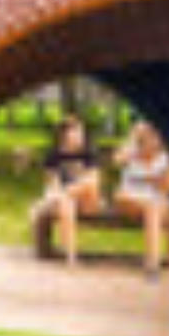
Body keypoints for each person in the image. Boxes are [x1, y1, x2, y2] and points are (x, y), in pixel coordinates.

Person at [27, 113, 103, 266]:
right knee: (65, 203)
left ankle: (69, 254)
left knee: (84, 186)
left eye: (81, 132)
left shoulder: (89, 153)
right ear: (64, 135)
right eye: (76, 132)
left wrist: (68, 191)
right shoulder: (53, 155)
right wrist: (63, 194)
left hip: (87, 199)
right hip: (63, 200)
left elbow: (94, 182)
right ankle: (71, 257)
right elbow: (52, 182)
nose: (80, 136)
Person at [111, 121, 169, 279]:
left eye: (155, 137)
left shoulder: (166, 158)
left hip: (157, 203)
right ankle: (152, 266)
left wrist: (158, 177)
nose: (151, 141)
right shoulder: (131, 153)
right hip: (129, 199)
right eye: (147, 136)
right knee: (151, 206)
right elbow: (116, 160)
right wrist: (132, 138)